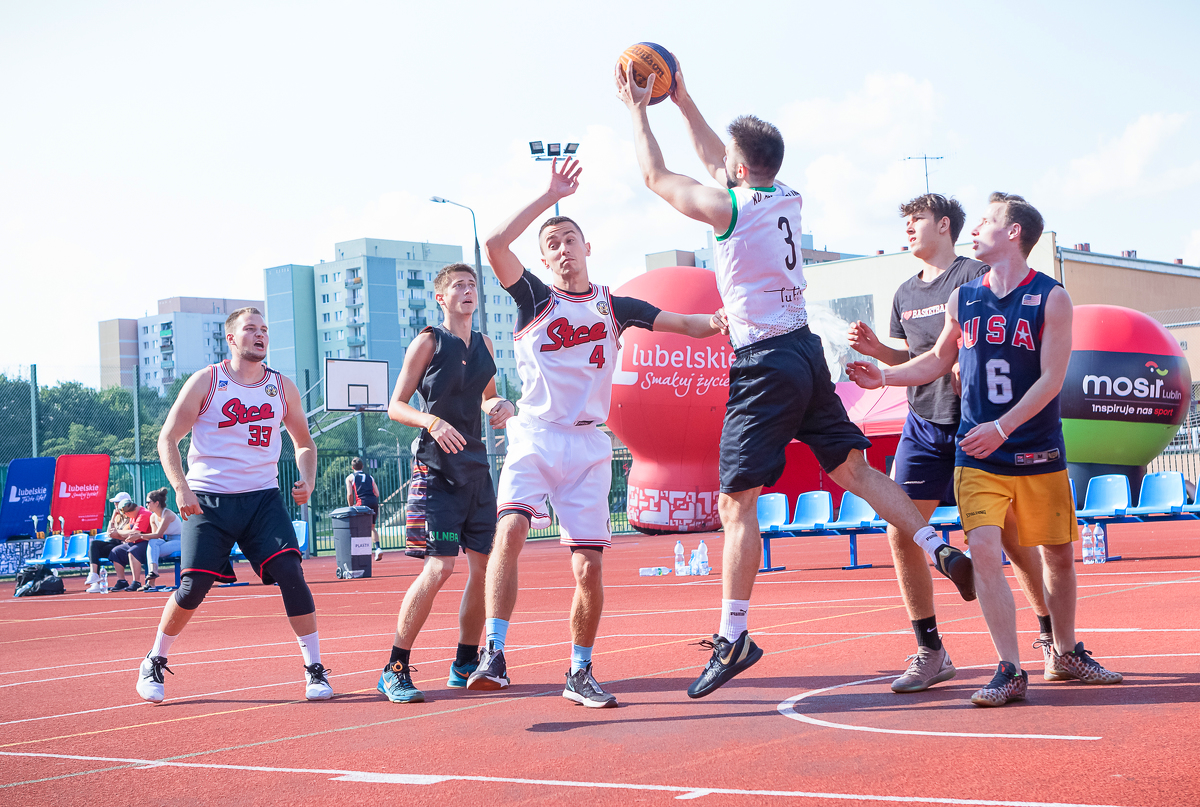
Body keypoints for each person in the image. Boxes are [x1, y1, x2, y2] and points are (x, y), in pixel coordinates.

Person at [618, 62, 977, 699]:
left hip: (763, 362)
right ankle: (938, 547)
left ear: (739, 166)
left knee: (736, 503)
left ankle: (733, 635)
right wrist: (684, 98)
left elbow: (656, 176)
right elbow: (718, 159)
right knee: (855, 471)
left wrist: (639, 110)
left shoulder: (728, 207)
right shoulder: (785, 196)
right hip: (806, 352)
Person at [467, 157, 725, 707]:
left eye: (570, 240)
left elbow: (686, 325)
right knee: (510, 532)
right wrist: (548, 194)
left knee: (588, 566)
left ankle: (580, 671)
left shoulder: (615, 306)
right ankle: (494, 653)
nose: (563, 249)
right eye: (552, 244)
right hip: (536, 435)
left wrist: (725, 321)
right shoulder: (535, 297)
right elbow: (493, 244)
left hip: (588, 444)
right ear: (543, 259)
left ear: (587, 249)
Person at [848, 193, 1123, 706]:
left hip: (1037, 449)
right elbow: (935, 360)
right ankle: (1009, 669)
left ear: (1014, 232)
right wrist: (882, 376)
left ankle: (1064, 651)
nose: (976, 228)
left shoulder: (1051, 297)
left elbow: (1052, 380)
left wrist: (1003, 426)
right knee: (985, 554)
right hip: (977, 452)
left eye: (987, 221)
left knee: (1058, 556)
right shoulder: (964, 299)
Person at [135, 307, 332, 704]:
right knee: (193, 586)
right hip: (209, 499)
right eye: (250, 329)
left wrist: (308, 479)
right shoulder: (207, 381)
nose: (260, 335)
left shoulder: (281, 387)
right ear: (231, 338)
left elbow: (304, 443)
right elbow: (168, 438)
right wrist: (181, 488)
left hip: (262, 498)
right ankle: (154, 660)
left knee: (290, 571)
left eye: (264, 329)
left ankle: (314, 669)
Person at [376, 262, 515, 704]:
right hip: (436, 469)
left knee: (483, 569)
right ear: (441, 297)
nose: (468, 290)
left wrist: (502, 405)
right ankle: (394, 668)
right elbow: (396, 405)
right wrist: (431, 421)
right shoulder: (429, 342)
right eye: (459, 285)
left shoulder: (485, 344)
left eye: (472, 284)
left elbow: (488, 396)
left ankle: (465, 662)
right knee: (440, 567)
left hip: (476, 469)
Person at [132, 487, 183, 590]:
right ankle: (153, 574)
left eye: (148, 502)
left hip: (180, 542)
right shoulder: (153, 517)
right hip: (167, 541)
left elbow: (157, 534)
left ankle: (151, 580)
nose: (146, 505)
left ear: (156, 503)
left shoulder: (168, 514)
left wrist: (140, 536)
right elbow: (156, 536)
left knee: (153, 548)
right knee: (153, 543)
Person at [84, 491, 135, 591]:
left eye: (117, 503)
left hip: (123, 544)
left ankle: (118, 581)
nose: (115, 505)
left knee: (112, 550)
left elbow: (127, 534)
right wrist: (113, 517)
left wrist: (117, 534)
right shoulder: (117, 516)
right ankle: (94, 577)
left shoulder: (131, 516)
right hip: (114, 542)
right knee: (94, 546)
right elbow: (109, 532)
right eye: (115, 503)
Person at [104, 498, 153, 591]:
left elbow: (135, 533)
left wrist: (117, 532)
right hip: (136, 542)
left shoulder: (144, 514)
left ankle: (136, 582)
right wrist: (117, 535)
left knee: (133, 551)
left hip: (148, 541)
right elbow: (129, 535)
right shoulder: (133, 515)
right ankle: (121, 581)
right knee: (116, 551)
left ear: (128, 513)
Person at [345, 458, 382, 561]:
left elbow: (350, 494)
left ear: (352, 467)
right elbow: (377, 493)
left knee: (358, 528)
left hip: (362, 503)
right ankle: (378, 548)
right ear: (362, 466)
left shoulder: (350, 477)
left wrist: (350, 506)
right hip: (373, 502)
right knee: (372, 527)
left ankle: (360, 552)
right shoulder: (370, 477)